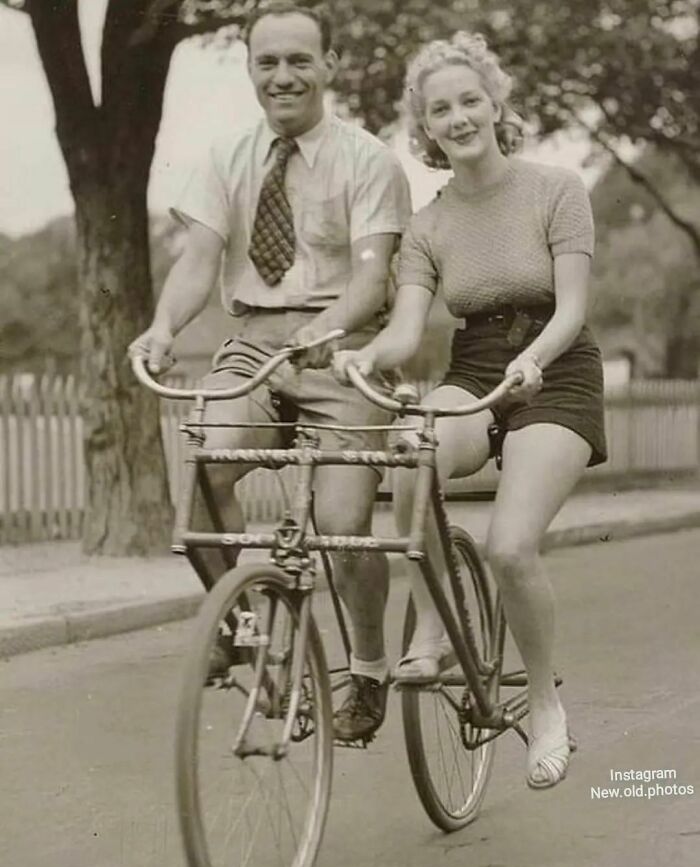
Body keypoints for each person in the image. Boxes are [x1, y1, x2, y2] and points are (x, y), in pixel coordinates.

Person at [129, 1, 412, 743]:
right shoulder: (227, 155)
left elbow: (373, 277)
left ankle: (370, 667)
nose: (282, 76)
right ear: (251, 69)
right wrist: (162, 328)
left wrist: (326, 332)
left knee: (345, 526)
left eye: (298, 60)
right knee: (198, 482)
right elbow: (198, 261)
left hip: (342, 347)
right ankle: (251, 635)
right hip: (253, 342)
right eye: (267, 62)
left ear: (330, 66)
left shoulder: (368, 160)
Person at [333, 31, 606, 787]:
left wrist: (535, 361)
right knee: (410, 449)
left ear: (496, 104)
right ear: (424, 126)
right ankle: (436, 621)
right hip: (477, 366)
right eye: (440, 109)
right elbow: (407, 327)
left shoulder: (556, 188)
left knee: (511, 547)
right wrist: (368, 354)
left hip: (557, 367)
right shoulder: (428, 224)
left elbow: (574, 308)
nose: (458, 117)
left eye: (469, 101)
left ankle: (545, 704)